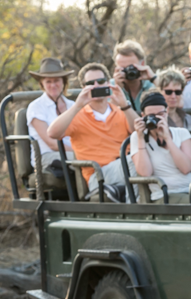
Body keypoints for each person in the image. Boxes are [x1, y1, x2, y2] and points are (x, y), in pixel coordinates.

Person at [48, 63, 139, 198]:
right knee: (137, 162)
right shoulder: (77, 115)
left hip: (124, 165)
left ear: (109, 83)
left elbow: (139, 131)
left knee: (146, 158)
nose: (96, 86)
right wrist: (77, 105)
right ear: (84, 88)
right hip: (98, 175)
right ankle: (136, 211)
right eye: (91, 83)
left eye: (101, 81)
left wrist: (125, 105)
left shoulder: (121, 111)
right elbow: (52, 133)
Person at [130, 91, 191, 204]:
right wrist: (141, 138)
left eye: (160, 114)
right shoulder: (137, 137)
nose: (156, 119)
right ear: (143, 116)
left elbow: (186, 168)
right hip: (164, 194)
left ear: (167, 112)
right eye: (151, 116)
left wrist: (168, 138)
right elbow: (145, 173)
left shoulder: (182, 133)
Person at [25, 58, 76, 173]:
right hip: (47, 156)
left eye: (56, 80)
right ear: (42, 83)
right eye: (48, 81)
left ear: (63, 81)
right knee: (83, 160)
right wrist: (79, 152)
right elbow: (52, 144)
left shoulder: (72, 105)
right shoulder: (36, 107)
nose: (53, 85)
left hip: (72, 152)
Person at [112, 40, 156, 114]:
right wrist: (117, 90)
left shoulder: (152, 85)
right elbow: (106, 117)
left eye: (131, 67)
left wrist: (154, 78)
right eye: (123, 68)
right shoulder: (109, 87)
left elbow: (169, 103)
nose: (128, 72)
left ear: (142, 64)